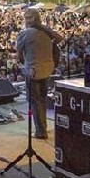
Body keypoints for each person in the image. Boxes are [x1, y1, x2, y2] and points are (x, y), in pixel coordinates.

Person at [15, 9, 63, 140]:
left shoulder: (24, 34)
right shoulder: (46, 31)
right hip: (47, 69)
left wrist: (27, 64)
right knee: (42, 100)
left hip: (33, 71)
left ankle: (40, 132)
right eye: (26, 18)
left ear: (34, 18)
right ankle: (43, 128)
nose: (27, 20)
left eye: (29, 18)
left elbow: (19, 54)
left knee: (35, 102)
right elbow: (59, 39)